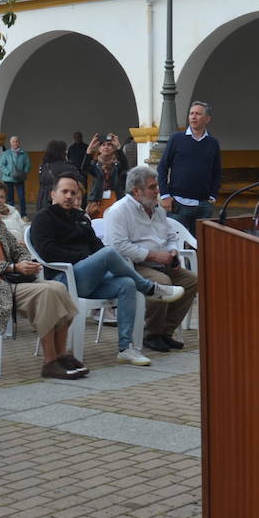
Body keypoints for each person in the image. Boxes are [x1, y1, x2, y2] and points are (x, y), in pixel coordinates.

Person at [32, 171, 182, 366]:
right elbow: (48, 252)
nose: (69, 196)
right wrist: (88, 258)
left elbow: (96, 246)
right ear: (53, 194)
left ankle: (125, 348)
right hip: (64, 280)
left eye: (73, 192)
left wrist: (96, 259)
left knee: (126, 284)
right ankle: (149, 288)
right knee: (109, 253)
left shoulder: (80, 217)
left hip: (90, 279)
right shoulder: (43, 218)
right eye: (64, 192)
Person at [0, 179, 81, 379]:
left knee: (58, 288)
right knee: (46, 292)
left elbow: (17, 249)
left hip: (11, 281)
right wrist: (12, 267)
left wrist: (25, 262)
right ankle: (49, 362)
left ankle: (62, 354)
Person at [103, 165, 200, 354]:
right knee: (162, 282)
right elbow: (118, 246)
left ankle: (165, 331)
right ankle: (151, 334)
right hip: (133, 265)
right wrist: (153, 255)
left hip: (161, 263)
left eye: (156, 186)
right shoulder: (119, 211)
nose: (157, 191)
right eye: (152, 187)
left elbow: (171, 236)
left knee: (191, 280)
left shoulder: (157, 210)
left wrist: (172, 252)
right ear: (136, 191)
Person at [157, 100, 222, 235]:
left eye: (198, 114)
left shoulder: (212, 143)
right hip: (178, 204)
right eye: (191, 113)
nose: (193, 117)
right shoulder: (177, 139)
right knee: (174, 242)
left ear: (207, 119)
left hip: (203, 205)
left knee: (200, 245)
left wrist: (213, 196)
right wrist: (165, 195)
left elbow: (217, 172)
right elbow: (163, 167)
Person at [83, 133, 128, 218]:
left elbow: (125, 165)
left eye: (109, 145)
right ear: (99, 149)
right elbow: (84, 168)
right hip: (98, 201)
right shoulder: (95, 165)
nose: (106, 147)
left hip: (115, 199)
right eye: (103, 145)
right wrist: (90, 149)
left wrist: (118, 146)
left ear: (113, 148)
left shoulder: (117, 165)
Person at [36, 139, 80, 215]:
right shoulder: (68, 167)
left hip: (42, 200)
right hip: (60, 201)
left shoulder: (44, 166)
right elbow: (80, 182)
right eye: (65, 150)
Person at [0, 136, 30, 210]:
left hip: (20, 179)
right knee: (9, 199)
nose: (15, 143)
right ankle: (10, 213)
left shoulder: (24, 153)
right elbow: (1, 165)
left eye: (17, 141)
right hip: (8, 179)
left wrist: (24, 173)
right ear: (10, 143)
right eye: (13, 141)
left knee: (22, 197)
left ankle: (23, 215)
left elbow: (28, 165)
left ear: (19, 143)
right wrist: (9, 173)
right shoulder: (6, 153)